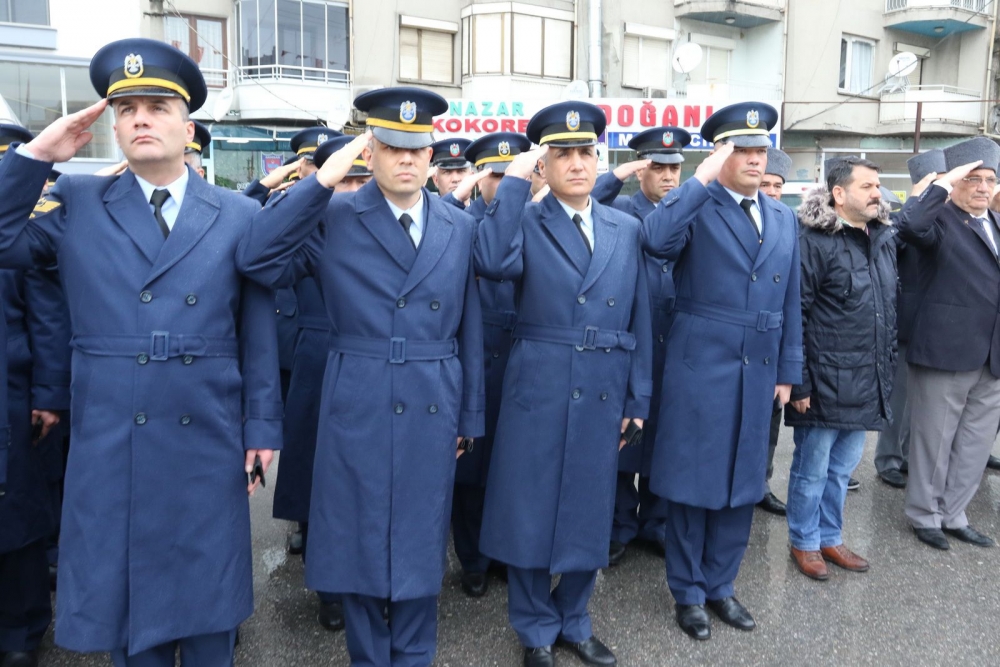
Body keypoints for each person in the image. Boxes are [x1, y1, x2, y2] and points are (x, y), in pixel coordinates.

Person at [0, 37, 339, 666]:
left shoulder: (236, 212)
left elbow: (255, 325)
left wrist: (261, 424)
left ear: (189, 126)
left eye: (157, 106)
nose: (140, 119)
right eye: (125, 110)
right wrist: (39, 153)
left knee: (208, 608)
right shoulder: (75, 202)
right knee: (130, 615)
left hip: (205, 430)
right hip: (111, 436)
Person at [236, 87, 485, 667]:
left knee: (423, 539)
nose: (406, 159)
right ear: (368, 150)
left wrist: (469, 414)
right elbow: (257, 260)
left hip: (432, 394)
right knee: (360, 538)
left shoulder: (458, 225)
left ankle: (415, 655)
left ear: (431, 155)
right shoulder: (334, 213)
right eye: (392, 146)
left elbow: (469, 324)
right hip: (359, 394)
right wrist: (319, 183)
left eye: (417, 149)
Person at [475, 101, 651, 667]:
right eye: (561, 154)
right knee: (529, 509)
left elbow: (639, 317)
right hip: (541, 383)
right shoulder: (524, 220)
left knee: (587, 508)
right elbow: (492, 260)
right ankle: (534, 629)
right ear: (543, 166)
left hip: (604, 383)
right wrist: (512, 183)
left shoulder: (625, 226)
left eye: (585, 152)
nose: (576, 163)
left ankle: (574, 619)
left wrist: (638, 395)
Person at [642, 102, 802, 641]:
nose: (757, 160)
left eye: (761, 150)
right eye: (743, 150)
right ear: (721, 153)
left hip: (758, 367)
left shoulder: (782, 215)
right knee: (692, 485)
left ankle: (721, 586)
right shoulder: (697, 205)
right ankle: (687, 593)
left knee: (744, 481)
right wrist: (699, 178)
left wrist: (788, 370)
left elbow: (792, 303)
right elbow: (655, 241)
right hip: (700, 364)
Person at [785, 157, 898, 580]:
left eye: (878, 185)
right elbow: (795, 313)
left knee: (842, 472)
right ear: (838, 194)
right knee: (811, 472)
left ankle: (830, 536)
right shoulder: (812, 241)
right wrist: (799, 382)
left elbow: (885, 311)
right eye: (867, 186)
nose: (877, 194)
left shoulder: (882, 238)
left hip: (865, 382)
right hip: (824, 381)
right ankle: (805, 541)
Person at [441, 131, 533, 599]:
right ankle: (474, 557)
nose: (502, 182)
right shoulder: (461, 219)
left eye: (510, 172)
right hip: (475, 360)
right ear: (480, 179)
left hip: (519, 360)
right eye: (495, 174)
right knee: (472, 471)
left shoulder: (530, 219)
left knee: (509, 466)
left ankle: (500, 553)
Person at [897, 137, 1000, 550]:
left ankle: (954, 513)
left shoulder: (995, 223)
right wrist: (941, 184)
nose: (981, 187)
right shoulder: (938, 220)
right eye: (972, 179)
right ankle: (925, 515)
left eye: (989, 179)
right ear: (954, 182)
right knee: (934, 442)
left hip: (992, 355)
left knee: (975, 444)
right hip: (946, 352)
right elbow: (908, 225)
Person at [0, 126, 73, 667]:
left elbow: (47, 317)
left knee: (16, 515)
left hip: (11, 391)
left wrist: (49, 393)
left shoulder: (23, 230)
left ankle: (21, 629)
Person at [601, 126, 690, 564]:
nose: (669, 176)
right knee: (624, 434)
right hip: (630, 339)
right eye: (658, 167)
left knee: (664, 435)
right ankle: (619, 524)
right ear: (642, 172)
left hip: (675, 340)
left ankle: (657, 522)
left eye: (675, 167)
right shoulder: (619, 207)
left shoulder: (689, 211)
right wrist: (617, 174)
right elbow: (583, 203)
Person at [873, 151, 944, 489]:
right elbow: (896, 242)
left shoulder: (950, 221)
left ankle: (906, 456)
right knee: (899, 396)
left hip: (937, 321)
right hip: (906, 319)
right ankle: (888, 459)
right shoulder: (903, 218)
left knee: (922, 401)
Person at [754, 146, 795, 516]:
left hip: (772, 342)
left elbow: (793, 298)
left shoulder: (787, 221)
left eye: (778, 185)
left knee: (770, 422)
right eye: (765, 183)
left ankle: (761, 484)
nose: (771, 191)